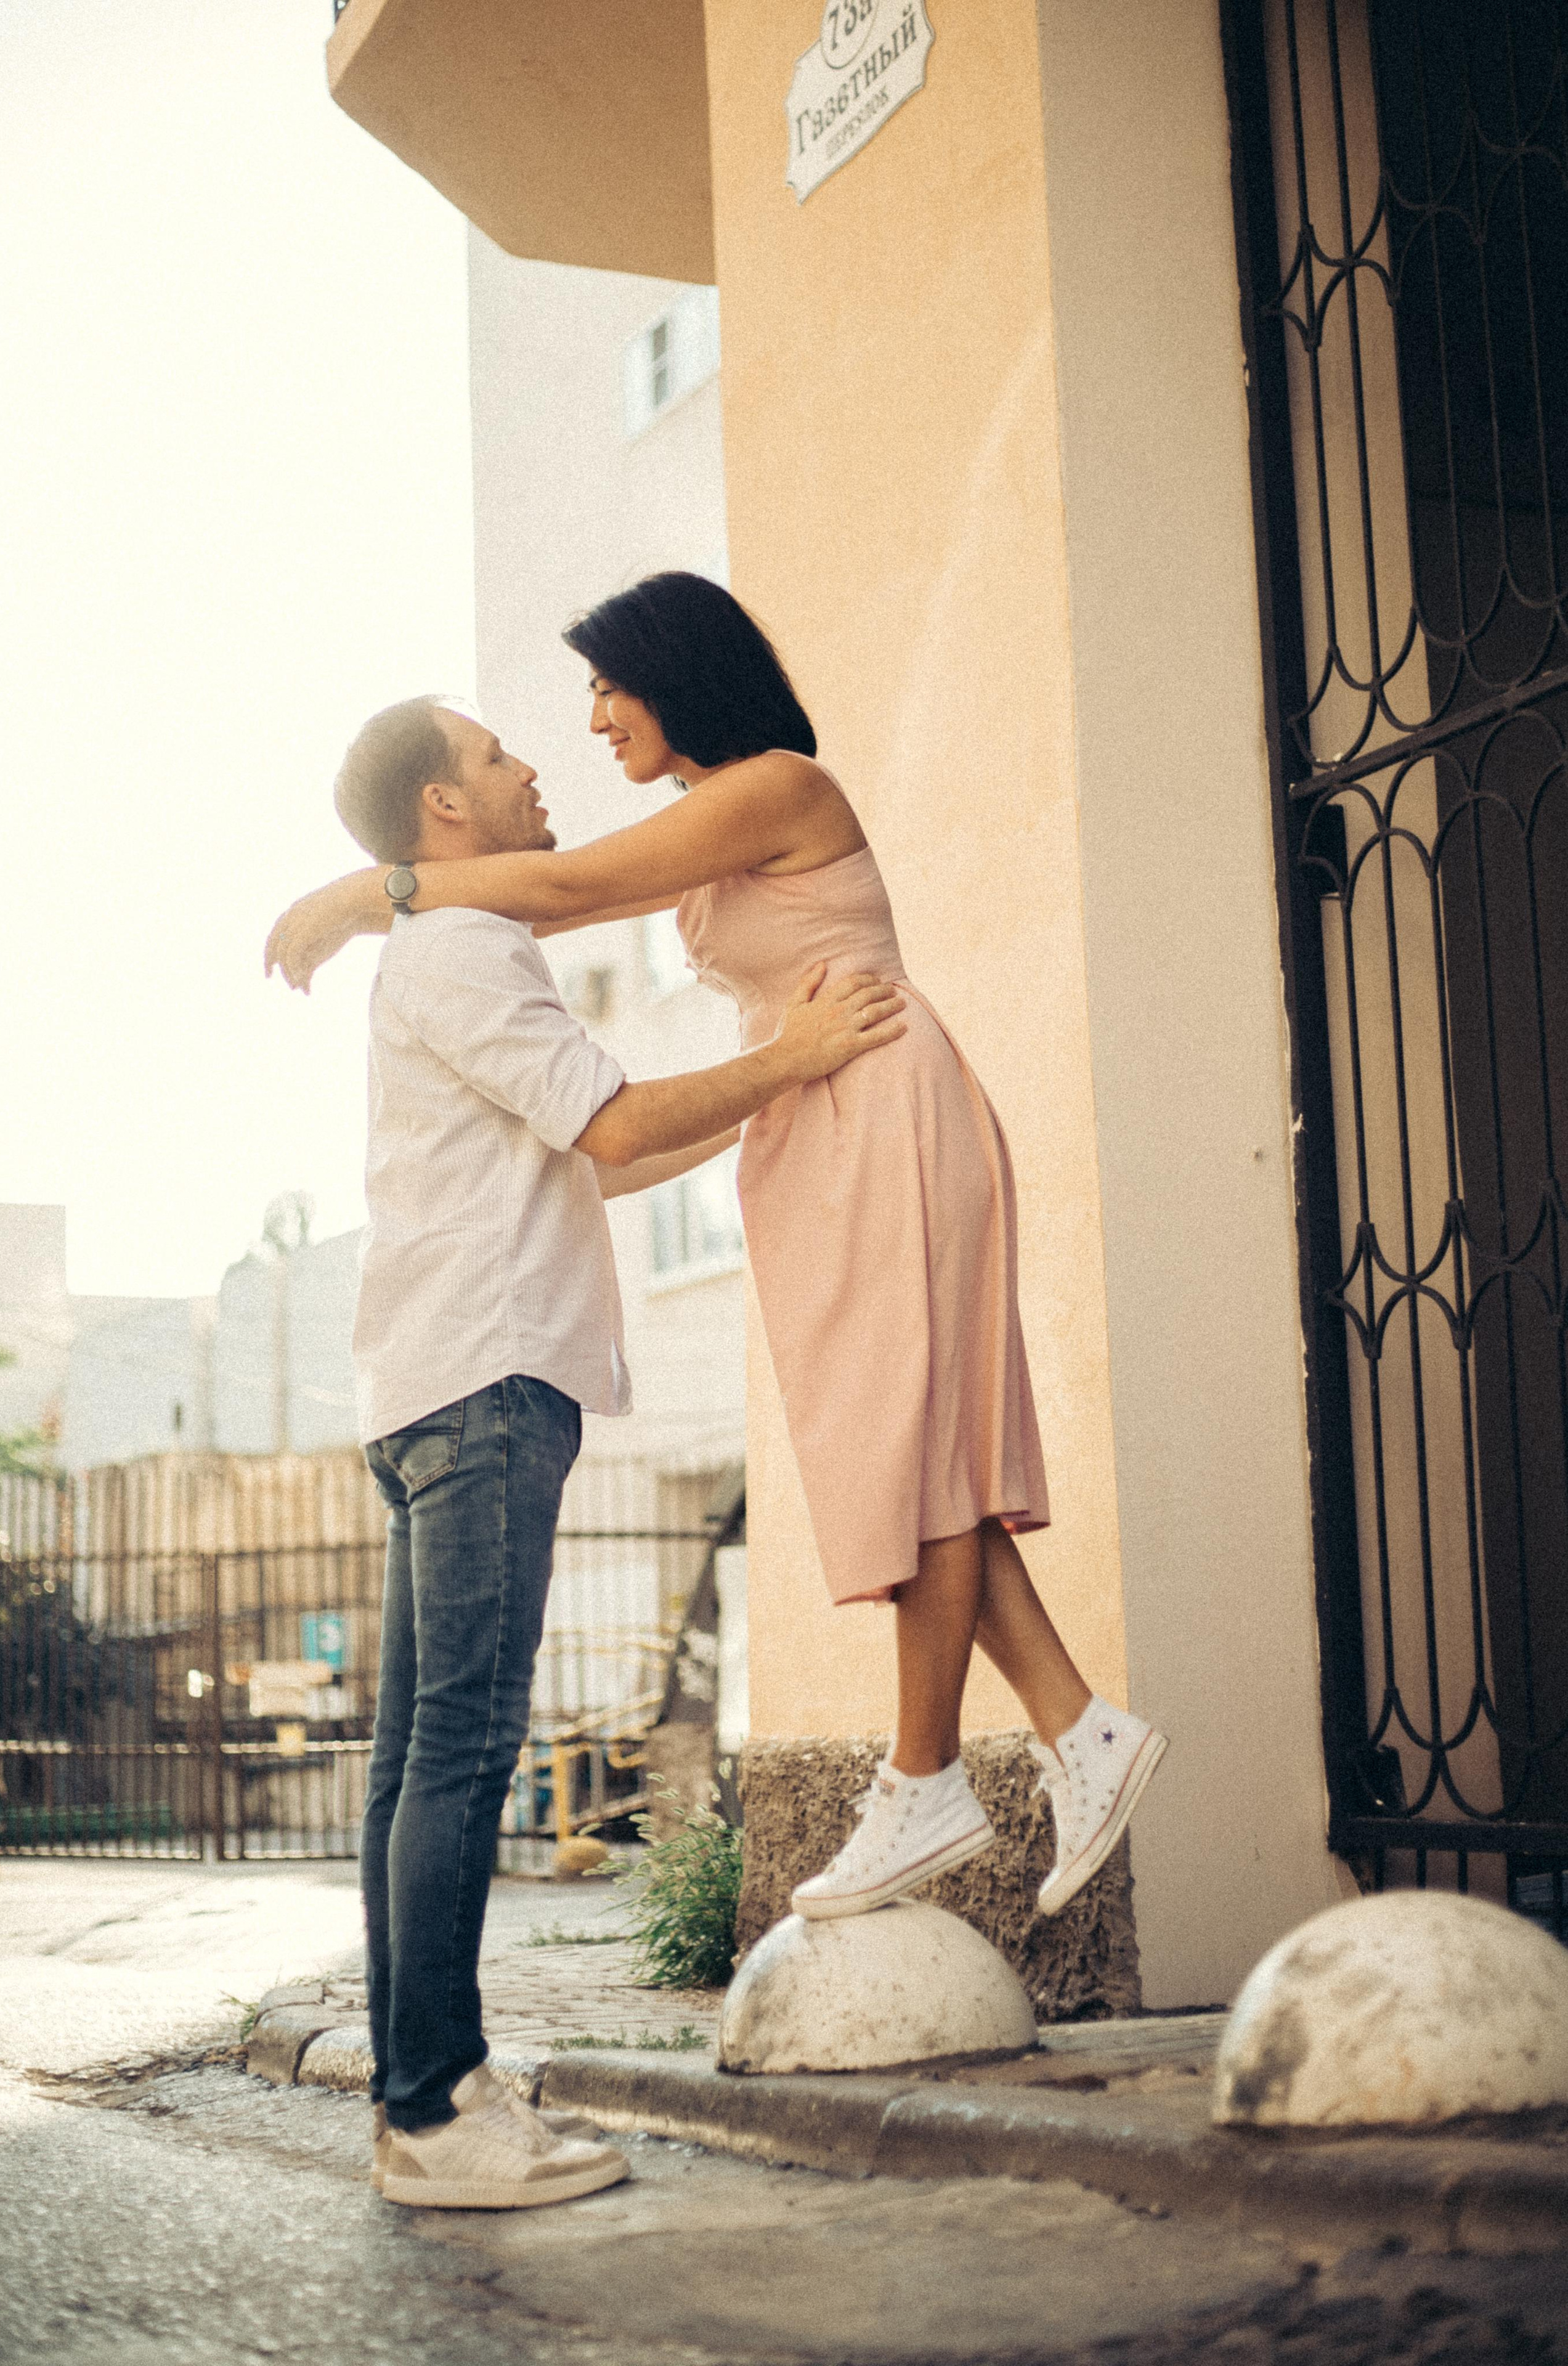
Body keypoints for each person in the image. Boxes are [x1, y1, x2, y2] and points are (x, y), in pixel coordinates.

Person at [266, 575, 1168, 1931]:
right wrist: (408, 900)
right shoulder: (709, 825)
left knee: (907, 1439)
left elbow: (560, 884)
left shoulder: (776, 785)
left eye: (603, 689)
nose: (585, 722)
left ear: (667, 673)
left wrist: (366, 891)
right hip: (820, 1110)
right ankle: (1075, 1729)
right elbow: (545, 907)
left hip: (876, 1097)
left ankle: (924, 1774)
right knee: (909, 1442)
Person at [273, 691, 906, 2211]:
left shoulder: (442, 956)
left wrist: (780, 1081)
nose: (529, 768)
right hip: (484, 1386)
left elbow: (593, 1152)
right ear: (442, 809)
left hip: (436, 1383)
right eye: (495, 757)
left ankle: (429, 2094)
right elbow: (612, 1130)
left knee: (416, 1766)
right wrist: (794, 1050)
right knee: (463, 1755)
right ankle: (431, 2115)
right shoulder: (464, 943)